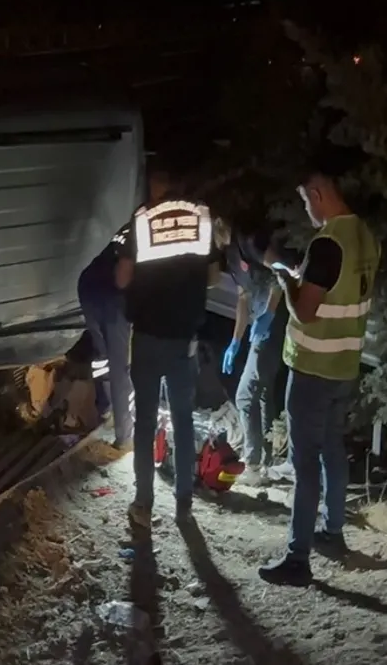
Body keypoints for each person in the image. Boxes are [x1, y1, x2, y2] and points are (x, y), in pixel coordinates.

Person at [258, 170, 380, 587]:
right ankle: (333, 532)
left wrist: (288, 282)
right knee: (332, 449)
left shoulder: (328, 243)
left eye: (307, 202)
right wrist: (305, 277)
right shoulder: (364, 235)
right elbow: (340, 291)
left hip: (313, 369)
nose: (307, 212)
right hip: (346, 366)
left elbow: (306, 311)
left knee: (305, 462)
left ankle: (298, 559)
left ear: (318, 194)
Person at [116, 170, 226, 528]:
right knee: (182, 419)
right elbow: (213, 277)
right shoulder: (201, 217)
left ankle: (143, 505)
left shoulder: (143, 220)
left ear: (155, 185)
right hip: (185, 340)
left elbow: (122, 277)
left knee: (146, 421)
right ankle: (184, 503)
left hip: (148, 336)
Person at [219, 224, 290, 486]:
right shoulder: (230, 255)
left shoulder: (248, 240)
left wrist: (270, 314)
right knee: (261, 393)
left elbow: (279, 273)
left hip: (275, 320)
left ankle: (253, 462)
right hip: (260, 322)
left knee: (245, 394)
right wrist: (234, 342)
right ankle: (265, 462)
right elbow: (243, 298)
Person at [77, 203, 137, 451]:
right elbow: (124, 279)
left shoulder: (127, 228)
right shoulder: (144, 238)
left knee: (102, 356)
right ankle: (125, 436)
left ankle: (105, 408)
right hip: (113, 295)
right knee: (120, 366)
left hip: (88, 284)